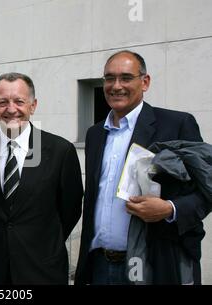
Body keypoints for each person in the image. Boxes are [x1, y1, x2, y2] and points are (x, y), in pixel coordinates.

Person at [75, 50, 211, 285]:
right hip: (99, 265)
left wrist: (170, 209)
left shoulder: (176, 124)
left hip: (154, 262)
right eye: (109, 78)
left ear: (144, 82)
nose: (116, 86)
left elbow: (207, 189)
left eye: (126, 78)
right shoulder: (95, 134)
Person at [0, 72, 83, 284]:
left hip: (43, 269)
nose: (11, 109)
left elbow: (71, 208)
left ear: (33, 105)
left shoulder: (60, 151)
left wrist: (40, 240)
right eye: (2, 102)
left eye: (19, 101)